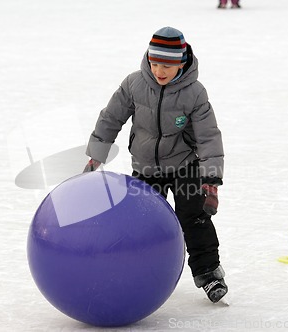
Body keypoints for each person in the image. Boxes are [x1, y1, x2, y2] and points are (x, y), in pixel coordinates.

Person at [83, 27, 227, 303]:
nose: (160, 71)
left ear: (181, 64)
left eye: (167, 66)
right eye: (155, 63)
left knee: (194, 218)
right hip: (147, 169)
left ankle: (209, 274)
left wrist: (210, 178)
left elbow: (209, 136)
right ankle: (141, 273)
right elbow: (111, 118)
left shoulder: (195, 93)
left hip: (185, 166)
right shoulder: (134, 85)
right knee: (143, 225)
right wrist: (97, 154)